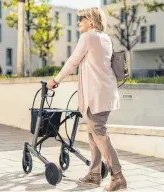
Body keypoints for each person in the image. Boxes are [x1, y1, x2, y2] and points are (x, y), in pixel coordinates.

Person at [47, 7, 127, 191]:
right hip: (105, 93)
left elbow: (73, 61)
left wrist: (55, 80)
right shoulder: (105, 38)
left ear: (91, 21)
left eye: (81, 19)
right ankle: (94, 175)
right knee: (93, 133)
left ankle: (118, 177)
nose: (78, 23)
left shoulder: (88, 37)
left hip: (97, 94)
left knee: (98, 132)